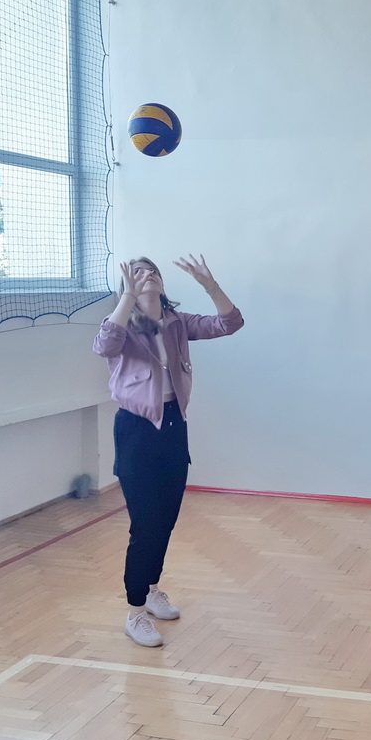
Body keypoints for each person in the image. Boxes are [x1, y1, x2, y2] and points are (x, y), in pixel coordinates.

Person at [93, 254, 244, 647]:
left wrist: (210, 286)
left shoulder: (177, 322)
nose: (148, 275)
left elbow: (230, 323)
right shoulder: (122, 325)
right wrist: (127, 298)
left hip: (174, 427)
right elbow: (105, 345)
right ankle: (135, 613)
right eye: (138, 272)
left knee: (166, 519)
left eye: (153, 271)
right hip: (136, 430)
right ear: (128, 283)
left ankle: (152, 589)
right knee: (144, 525)